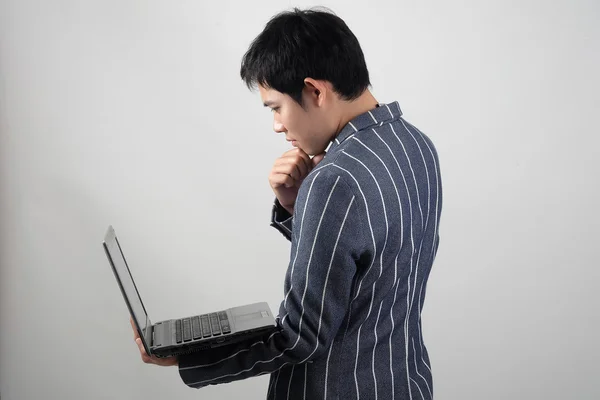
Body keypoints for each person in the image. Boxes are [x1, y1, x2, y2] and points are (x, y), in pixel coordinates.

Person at [132, 6, 442, 400]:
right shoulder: (415, 144)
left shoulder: (333, 180)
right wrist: (298, 207)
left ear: (314, 91)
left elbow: (301, 338)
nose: (277, 124)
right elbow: (367, 270)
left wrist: (190, 358)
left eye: (276, 107)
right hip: (405, 383)